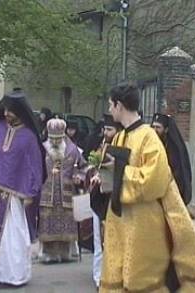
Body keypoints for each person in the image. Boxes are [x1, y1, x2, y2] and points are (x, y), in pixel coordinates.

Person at [91, 83, 195, 292]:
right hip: (120, 220)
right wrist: (100, 177)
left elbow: (154, 180)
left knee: (142, 280)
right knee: (117, 274)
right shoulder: (120, 136)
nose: (110, 109)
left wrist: (119, 170)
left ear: (119, 105)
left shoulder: (149, 137)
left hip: (143, 224)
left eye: (111, 105)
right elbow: (114, 174)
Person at [0, 90, 46, 286]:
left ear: (20, 112)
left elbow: (34, 165)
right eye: (5, 110)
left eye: (10, 111)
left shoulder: (29, 137)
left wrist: (32, 190)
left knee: (12, 237)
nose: (6, 114)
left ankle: (13, 275)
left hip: (14, 196)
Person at [38, 118, 86, 263]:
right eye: (53, 138)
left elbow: (83, 166)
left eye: (58, 138)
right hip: (48, 193)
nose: (55, 141)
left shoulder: (72, 149)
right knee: (48, 223)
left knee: (66, 223)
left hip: (67, 192)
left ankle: (66, 254)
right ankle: (49, 254)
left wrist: (78, 176)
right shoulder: (42, 148)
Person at [87, 113, 122, 289]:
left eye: (110, 129)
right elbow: (93, 165)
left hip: (114, 200)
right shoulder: (101, 145)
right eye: (105, 129)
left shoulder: (121, 149)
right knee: (98, 240)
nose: (106, 132)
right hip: (99, 199)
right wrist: (94, 174)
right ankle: (98, 276)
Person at [152, 113, 192, 205]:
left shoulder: (173, 147)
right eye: (153, 127)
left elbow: (177, 171)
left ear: (166, 129)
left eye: (158, 127)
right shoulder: (152, 143)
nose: (154, 130)